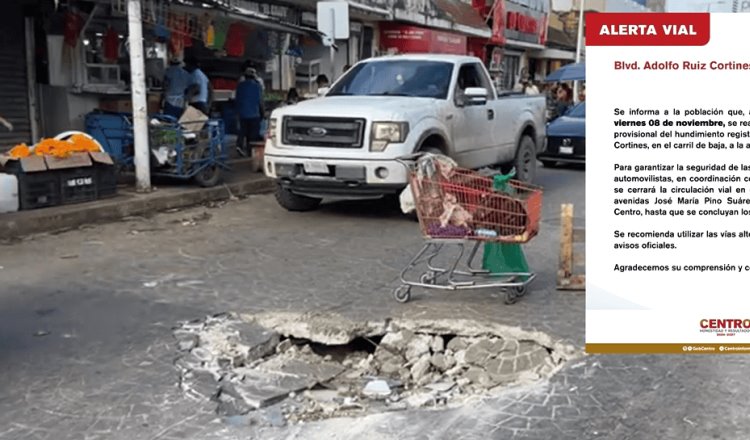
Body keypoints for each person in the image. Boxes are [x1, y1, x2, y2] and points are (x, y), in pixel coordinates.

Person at [235, 67, 265, 157]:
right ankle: (250, 151)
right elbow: (260, 101)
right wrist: (262, 113)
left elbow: (237, 100)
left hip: (242, 113)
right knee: (253, 134)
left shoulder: (240, 86)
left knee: (243, 130)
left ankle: (239, 145)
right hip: (254, 114)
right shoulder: (257, 86)